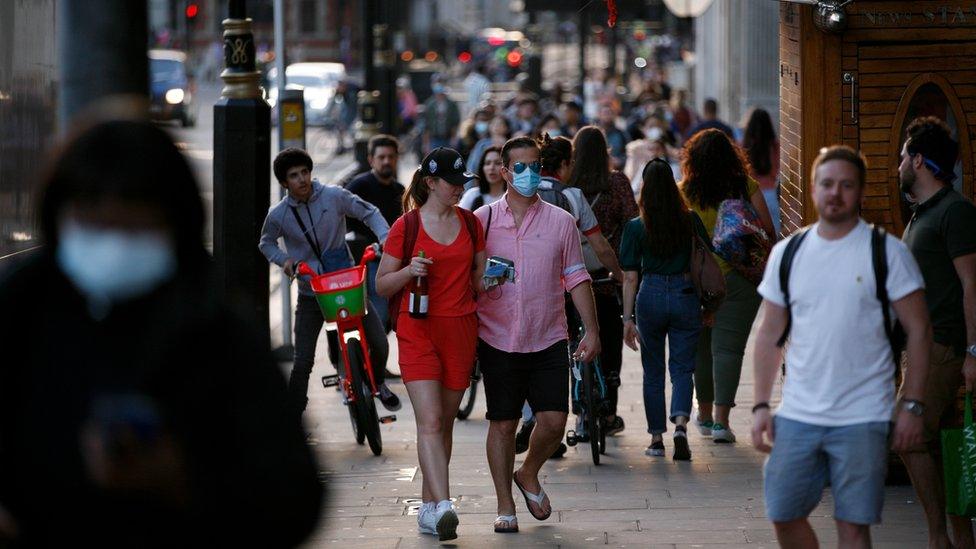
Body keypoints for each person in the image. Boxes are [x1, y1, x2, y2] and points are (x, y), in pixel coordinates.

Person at [0, 119, 322, 546]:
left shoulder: (213, 328)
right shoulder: (21, 311)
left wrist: (182, 479)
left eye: (134, 225)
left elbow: (294, 494)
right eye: (94, 222)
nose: (113, 244)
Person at [750, 145, 930, 548]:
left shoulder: (887, 253)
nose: (836, 193)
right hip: (798, 414)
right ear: (813, 189)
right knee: (783, 512)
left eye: (846, 185)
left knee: (852, 526)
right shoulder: (789, 253)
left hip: (864, 416)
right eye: (827, 184)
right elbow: (768, 333)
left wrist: (912, 404)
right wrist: (761, 405)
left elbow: (919, 331)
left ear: (861, 193)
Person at [474, 136, 601, 534]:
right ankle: (505, 505)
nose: (529, 174)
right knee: (503, 424)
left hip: (548, 334)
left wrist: (592, 330)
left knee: (553, 421)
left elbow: (577, 276)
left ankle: (528, 472)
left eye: (535, 165)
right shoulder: (483, 220)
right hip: (497, 338)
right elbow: (468, 279)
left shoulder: (561, 221)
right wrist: (487, 279)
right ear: (505, 172)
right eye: (521, 167)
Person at [375, 148, 486, 541]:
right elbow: (382, 284)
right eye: (452, 183)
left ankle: (428, 509)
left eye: (462, 183)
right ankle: (443, 504)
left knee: (445, 425)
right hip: (417, 329)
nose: (459, 189)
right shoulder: (405, 227)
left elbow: (477, 281)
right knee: (431, 421)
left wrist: (496, 280)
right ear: (430, 183)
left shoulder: (472, 224)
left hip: (460, 329)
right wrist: (409, 270)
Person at [259, 148, 400, 419]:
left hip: (347, 285)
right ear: (284, 182)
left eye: (305, 172)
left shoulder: (334, 196)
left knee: (380, 342)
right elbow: (265, 243)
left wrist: (384, 237)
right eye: (294, 176)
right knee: (302, 361)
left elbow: (368, 212)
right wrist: (287, 262)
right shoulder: (278, 214)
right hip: (311, 293)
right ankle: (291, 416)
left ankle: (379, 383)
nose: (302, 179)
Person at [514, 134, 625, 453]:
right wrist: (617, 274)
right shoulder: (573, 196)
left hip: (536, 288)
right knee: (586, 337)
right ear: (564, 164)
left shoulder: (524, 193)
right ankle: (591, 391)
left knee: (538, 352)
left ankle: (533, 414)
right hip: (574, 282)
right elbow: (600, 245)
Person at [897, 116, 976, 549]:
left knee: (907, 435)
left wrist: (972, 353)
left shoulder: (955, 212)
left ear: (920, 160)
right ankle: (959, 537)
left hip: (944, 347)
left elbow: (972, 285)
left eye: (903, 157)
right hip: (924, 348)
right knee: (943, 442)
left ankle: (936, 538)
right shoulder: (922, 214)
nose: (899, 166)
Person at [681, 129, 774, 443]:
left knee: (701, 350)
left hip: (696, 280)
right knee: (729, 350)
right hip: (738, 278)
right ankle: (722, 423)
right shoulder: (745, 186)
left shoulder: (684, 192)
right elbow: (766, 230)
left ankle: (704, 416)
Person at [620, 158, 708, 460]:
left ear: (644, 189)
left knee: (653, 371)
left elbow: (630, 276)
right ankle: (681, 425)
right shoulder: (690, 219)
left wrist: (627, 318)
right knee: (683, 367)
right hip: (685, 294)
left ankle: (657, 439)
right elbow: (706, 256)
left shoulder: (635, 228)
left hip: (650, 295)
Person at [567, 126, 638, 435]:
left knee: (576, 342)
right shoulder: (618, 182)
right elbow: (633, 222)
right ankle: (608, 411)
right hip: (609, 275)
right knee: (609, 341)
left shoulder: (568, 187)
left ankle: (582, 411)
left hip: (571, 278)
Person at [345, 134, 405, 330]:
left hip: (394, 260)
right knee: (377, 316)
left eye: (391, 156)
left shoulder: (400, 189)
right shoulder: (358, 186)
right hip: (366, 260)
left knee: (389, 316)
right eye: (381, 157)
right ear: (371, 159)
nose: (386, 161)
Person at [742, 108, 781, 236]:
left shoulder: (744, 146)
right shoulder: (775, 146)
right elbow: (777, 169)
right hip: (770, 194)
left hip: (751, 196)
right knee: (773, 233)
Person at [460, 145, 506, 210]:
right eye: (487, 163)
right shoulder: (472, 195)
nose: (491, 167)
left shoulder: (512, 198)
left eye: (497, 163)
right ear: (482, 167)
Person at [422, 79, 461, 152]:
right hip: (434, 138)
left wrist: (453, 138)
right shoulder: (429, 105)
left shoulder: (451, 105)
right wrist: (426, 143)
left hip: (448, 138)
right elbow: (426, 125)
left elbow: (455, 122)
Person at [596, 105, 628, 170]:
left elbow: (628, 152)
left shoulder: (621, 134)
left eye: (610, 113)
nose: (607, 116)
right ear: (599, 115)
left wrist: (620, 161)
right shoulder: (593, 134)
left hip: (617, 170)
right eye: (605, 113)